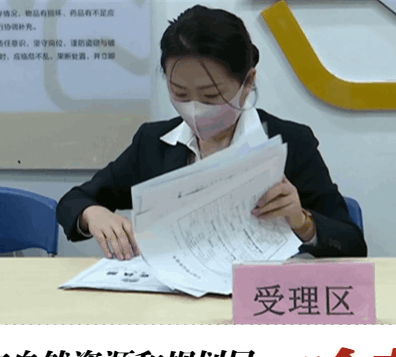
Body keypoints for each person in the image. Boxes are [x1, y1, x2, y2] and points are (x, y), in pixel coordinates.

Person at [57, 5, 367, 260]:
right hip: (175, 298)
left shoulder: (290, 142)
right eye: (180, 93)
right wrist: (93, 214)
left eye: (211, 95)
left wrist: (302, 220)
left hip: (257, 297)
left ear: (248, 82)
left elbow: (353, 244)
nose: (194, 108)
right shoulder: (153, 143)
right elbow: (74, 200)